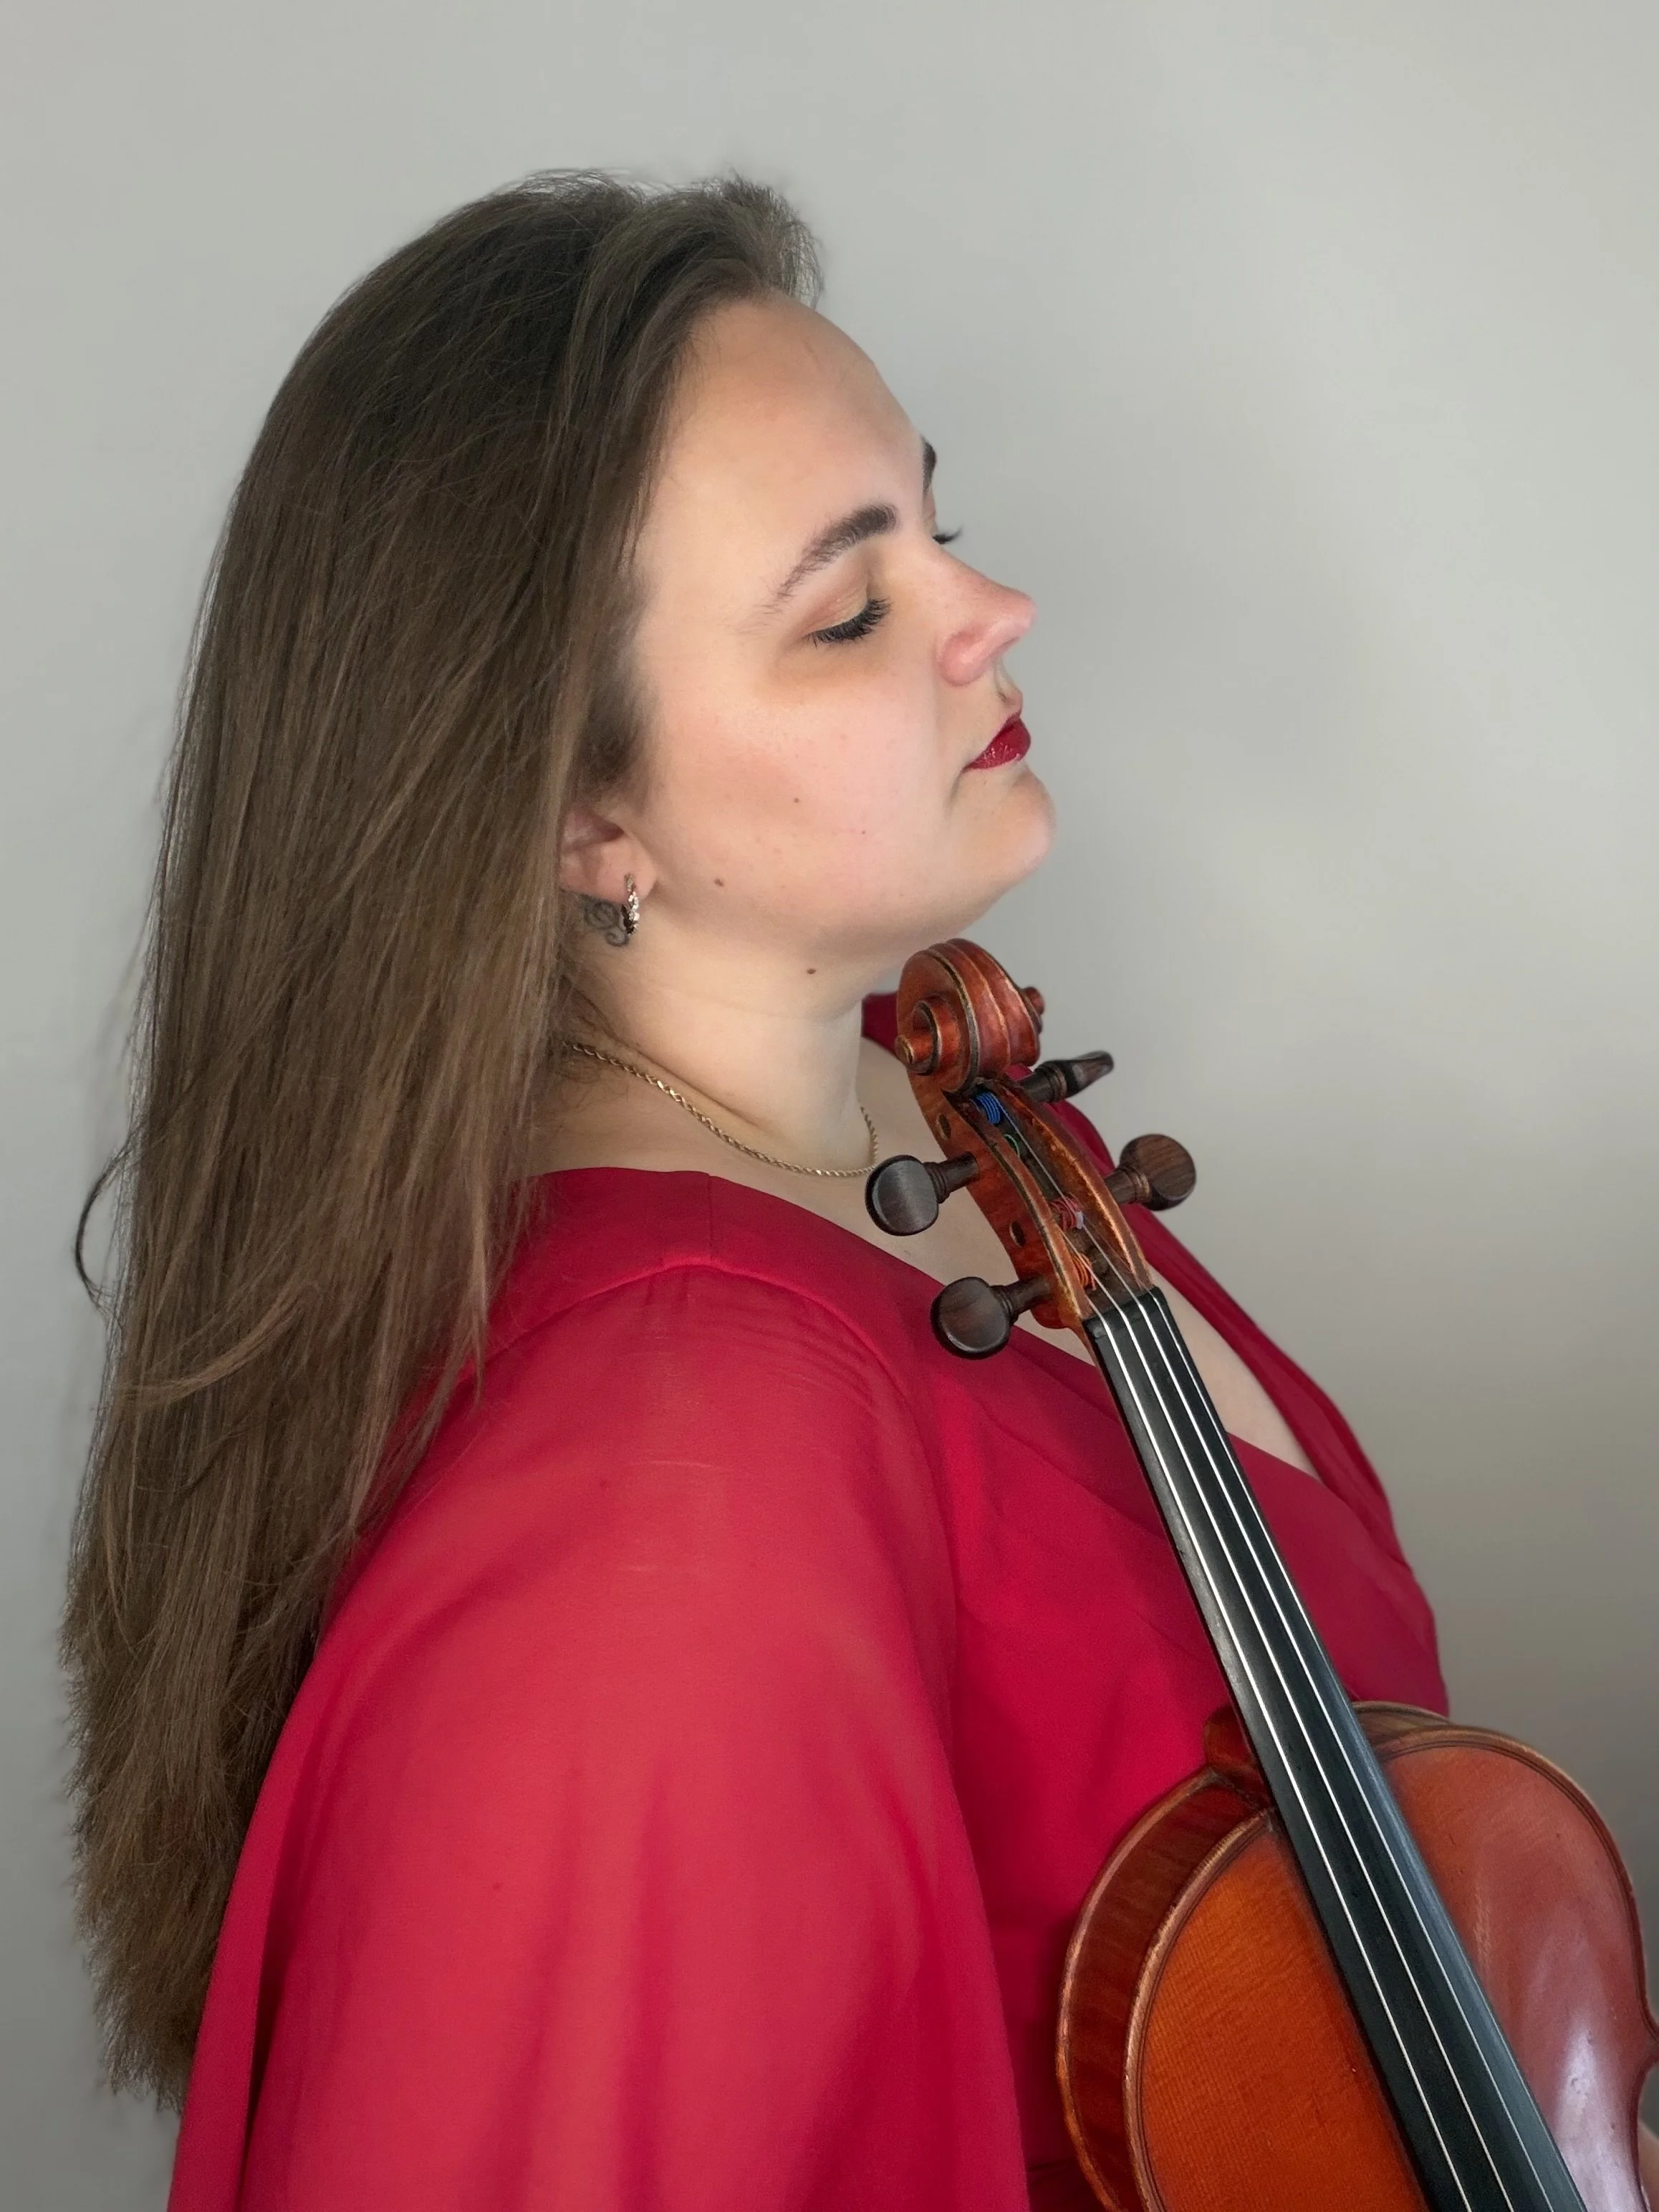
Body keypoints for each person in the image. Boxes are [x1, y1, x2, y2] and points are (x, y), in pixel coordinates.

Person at [64, 172, 1572, 2211]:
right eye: (846, 609)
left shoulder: (937, 1132)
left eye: (932, 523)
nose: (990, 611)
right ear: (583, 812)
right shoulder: (668, 1469)